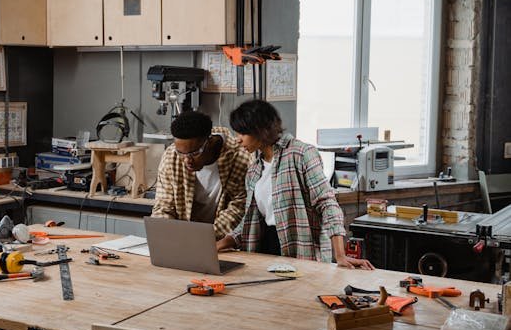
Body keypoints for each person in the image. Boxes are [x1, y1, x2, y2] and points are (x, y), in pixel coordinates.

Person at [216, 99, 373, 269]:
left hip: (301, 252)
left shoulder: (302, 154)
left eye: (242, 134)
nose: (238, 140)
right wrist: (219, 245)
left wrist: (340, 255)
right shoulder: (254, 170)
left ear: (260, 130)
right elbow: (249, 221)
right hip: (265, 251)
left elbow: (327, 204)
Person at [152, 110, 249, 238]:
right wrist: (166, 235)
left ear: (210, 142)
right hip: (182, 238)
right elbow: (163, 206)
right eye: (181, 153)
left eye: (194, 153)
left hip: (222, 239)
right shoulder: (171, 156)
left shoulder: (240, 156)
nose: (187, 160)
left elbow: (237, 209)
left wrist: (201, 238)